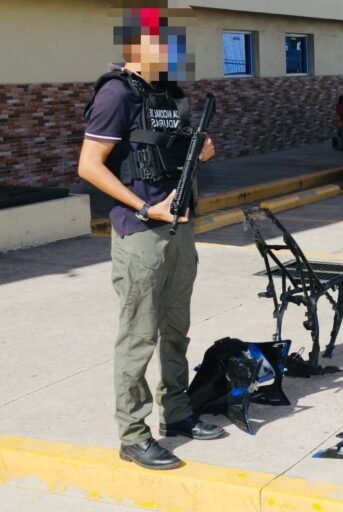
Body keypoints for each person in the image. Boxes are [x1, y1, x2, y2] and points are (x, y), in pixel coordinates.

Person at [77, 5, 222, 471]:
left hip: (179, 226)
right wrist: (143, 207)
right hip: (141, 232)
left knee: (175, 329)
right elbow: (89, 165)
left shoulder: (168, 92)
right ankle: (133, 435)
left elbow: (173, 151)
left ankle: (177, 413)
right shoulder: (116, 94)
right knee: (139, 336)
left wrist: (202, 149)